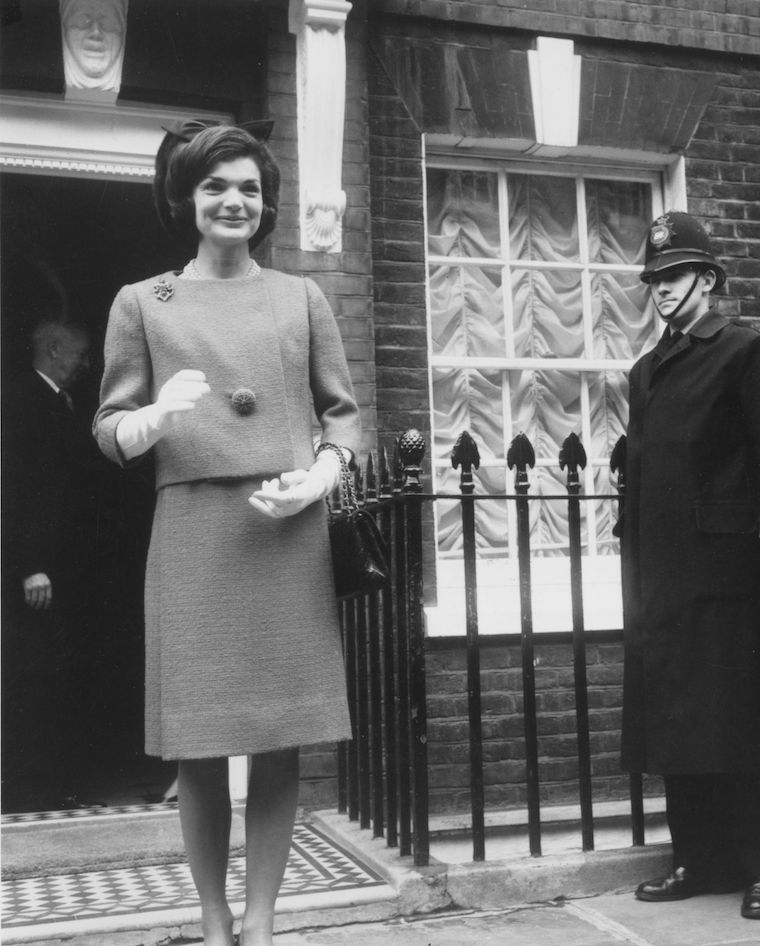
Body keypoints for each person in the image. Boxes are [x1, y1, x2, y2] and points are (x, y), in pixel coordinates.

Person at [93, 120, 361, 946]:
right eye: (215, 186)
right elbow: (107, 426)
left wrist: (320, 474)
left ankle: (262, 922)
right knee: (200, 750)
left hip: (284, 527)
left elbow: (343, 416)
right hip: (196, 532)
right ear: (187, 198)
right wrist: (146, 421)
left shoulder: (299, 297)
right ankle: (214, 926)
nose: (233, 201)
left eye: (248, 186)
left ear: (266, 202)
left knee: (278, 743)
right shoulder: (145, 302)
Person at [619, 211, 760, 921]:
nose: (663, 288)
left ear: (709, 279)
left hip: (728, 574)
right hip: (661, 573)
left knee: (743, 721)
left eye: (676, 275)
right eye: (654, 278)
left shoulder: (743, 352)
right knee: (677, 719)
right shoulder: (644, 369)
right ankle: (697, 857)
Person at [1, 319, 102, 811]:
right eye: (80, 355)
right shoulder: (18, 401)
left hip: (67, 567)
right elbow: (15, 490)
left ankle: (57, 782)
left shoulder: (61, 401)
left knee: (60, 670)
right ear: (54, 349)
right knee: (34, 674)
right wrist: (29, 565)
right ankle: (29, 790)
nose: (86, 365)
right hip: (38, 574)